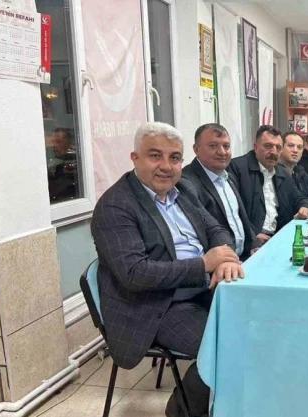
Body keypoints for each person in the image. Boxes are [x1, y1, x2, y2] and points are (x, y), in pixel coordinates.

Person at [90, 122, 244, 417]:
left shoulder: (182, 189)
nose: (165, 166)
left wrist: (224, 259)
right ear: (135, 158)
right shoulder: (115, 206)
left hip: (199, 289)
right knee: (227, 346)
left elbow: (216, 228)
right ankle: (181, 410)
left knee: (259, 324)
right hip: (154, 306)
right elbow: (135, 274)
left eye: (174, 158)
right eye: (154, 155)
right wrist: (204, 264)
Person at [181, 123, 262, 261]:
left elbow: (240, 218)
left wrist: (254, 244)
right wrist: (230, 260)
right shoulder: (187, 183)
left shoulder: (227, 176)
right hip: (220, 265)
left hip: (243, 258)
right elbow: (209, 230)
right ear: (196, 149)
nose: (222, 152)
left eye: (226, 146)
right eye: (213, 146)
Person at [228, 125, 308, 244]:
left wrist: (305, 206)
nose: (273, 152)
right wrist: (253, 234)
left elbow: (299, 198)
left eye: (278, 147)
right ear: (255, 147)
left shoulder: (281, 172)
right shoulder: (237, 168)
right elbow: (231, 211)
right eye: (267, 146)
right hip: (251, 241)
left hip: (278, 237)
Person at [280, 131, 308, 203]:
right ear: (280, 148)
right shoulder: (274, 172)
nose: (295, 150)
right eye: (291, 146)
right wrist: (305, 204)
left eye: (299, 147)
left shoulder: (299, 171)